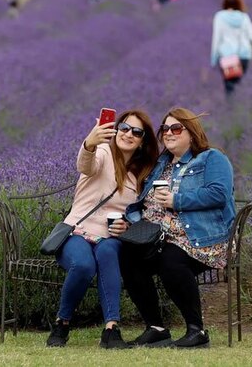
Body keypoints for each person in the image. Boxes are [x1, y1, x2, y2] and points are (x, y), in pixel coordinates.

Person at [119, 107, 236, 349]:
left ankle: (197, 330)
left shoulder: (211, 158)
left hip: (201, 238)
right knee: (127, 255)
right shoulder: (160, 164)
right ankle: (157, 328)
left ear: (191, 133)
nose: (169, 133)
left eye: (176, 128)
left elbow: (219, 194)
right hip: (159, 237)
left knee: (171, 260)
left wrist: (177, 199)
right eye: (165, 129)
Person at [46, 110, 160, 349]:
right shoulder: (103, 153)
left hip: (111, 236)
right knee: (84, 266)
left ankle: (111, 330)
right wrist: (89, 143)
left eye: (136, 132)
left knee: (108, 252)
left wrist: (128, 225)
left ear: (142, 142)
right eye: (124, 127)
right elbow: (85, 165)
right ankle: (62, 322)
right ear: (116, 130)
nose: (128, 134)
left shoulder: (142, 174)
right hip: (77, 231)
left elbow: (142, 212)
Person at [210, 0, 252, 95]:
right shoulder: (244, 17)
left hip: (228, 57)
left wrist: (213, 59)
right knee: (239, 84)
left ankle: (231, 107)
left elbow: (216, 38)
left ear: (225, 3)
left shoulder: (220, 17)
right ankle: (240, 107)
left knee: (230, 87)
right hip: (244, 56)